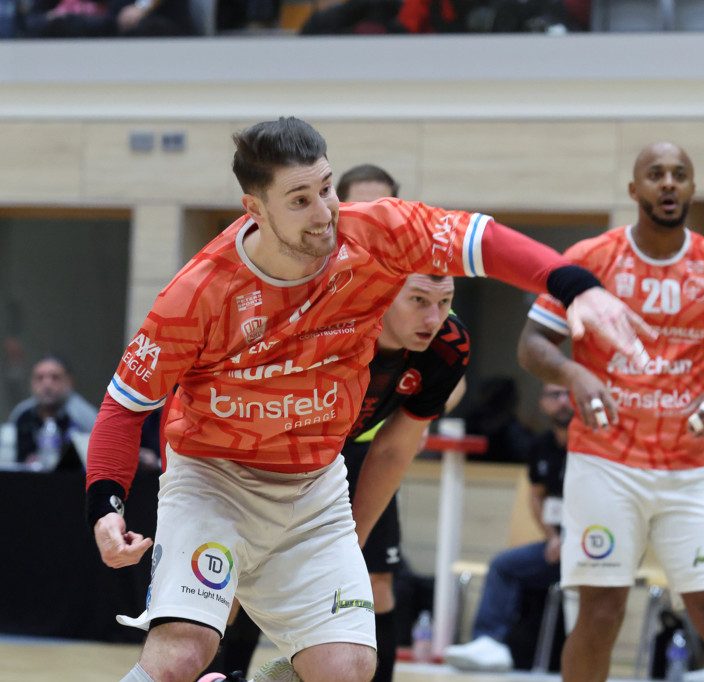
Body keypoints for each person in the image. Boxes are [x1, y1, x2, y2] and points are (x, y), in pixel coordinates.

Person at [86, 116, 652, 682]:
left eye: (327, 188)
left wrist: (572, 285)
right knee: (182, 656)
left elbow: (483, 239)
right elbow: (123, 408)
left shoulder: (377, 232)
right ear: (254, 208)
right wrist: (106, 507)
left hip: (313, 488)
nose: (324, 211)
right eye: (300, 200)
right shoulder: (199, 292)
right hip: (214, 481)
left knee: (350, 669)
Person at [208, 163, 469, 682]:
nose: (431, 318)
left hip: (351, 455)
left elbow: (396, 449)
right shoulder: (328, 314)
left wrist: (349, 542)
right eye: (418, 301)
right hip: (264, 447)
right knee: (230, 591)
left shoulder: (446, 344)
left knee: (372, 585)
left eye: (443, 302)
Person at [518, 141, 704, 682]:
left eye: (680, 174)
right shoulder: (590, 259)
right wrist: (574, 373)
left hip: (691, 468)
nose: (669, 183)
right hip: (605, 462)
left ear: (693, 188)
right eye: (656, 174)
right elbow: (533, 343)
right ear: (635, 190)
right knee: (601, 612)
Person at [443, 382, 572, 672]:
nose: (563, 401)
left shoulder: (593, 446)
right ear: (542, 403)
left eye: (569, 394)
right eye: (555, 395)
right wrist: (553, 537)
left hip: (595, 547)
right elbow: (537, 497)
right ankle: (489, 643)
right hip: (557, 546)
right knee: (504, 565)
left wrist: (573, 540)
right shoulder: (540, 446)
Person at [8, 355, 98, 470]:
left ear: (69, 381)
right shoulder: (21, 415)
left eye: (55, 378)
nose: (47, 385)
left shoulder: (85, 418)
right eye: (40, 378)